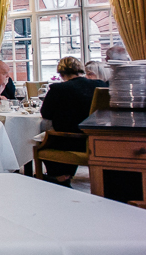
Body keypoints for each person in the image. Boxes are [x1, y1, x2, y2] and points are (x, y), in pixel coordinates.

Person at [39, 57, 108, 187]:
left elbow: (46, 114)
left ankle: (60, 176)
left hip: (70, 141)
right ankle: (66, 174)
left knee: (43, 139)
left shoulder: (58, 89)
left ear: (61, 73)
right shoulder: (101, 85)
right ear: (81, 70)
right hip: (96, 140)